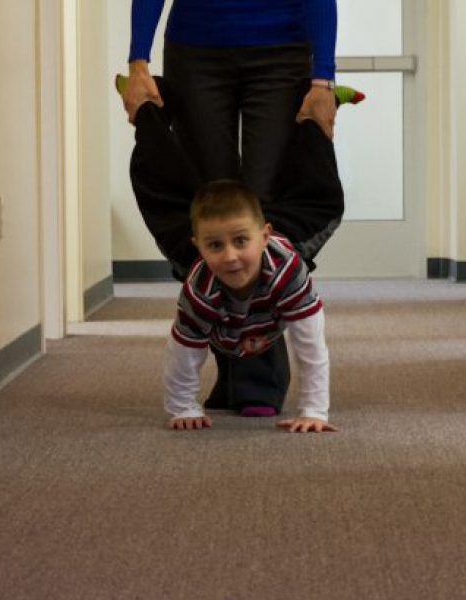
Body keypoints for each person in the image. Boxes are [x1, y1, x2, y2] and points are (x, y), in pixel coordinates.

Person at [121, 0, 339, 418]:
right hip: (195, 49)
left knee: (260, 214)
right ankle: (234, 371)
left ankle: (259, 380)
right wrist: (138, 62)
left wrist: (323, 79)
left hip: (282, 48)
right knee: (211, 208)